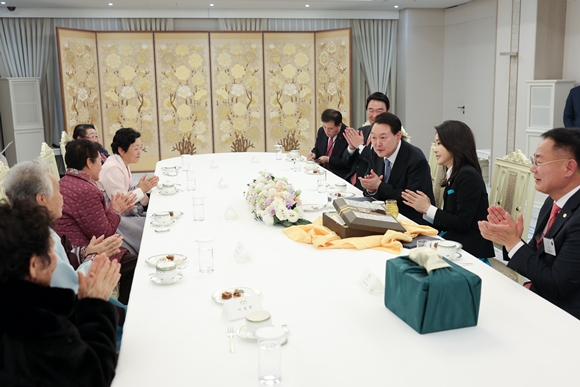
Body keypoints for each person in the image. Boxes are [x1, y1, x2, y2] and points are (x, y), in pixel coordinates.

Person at [0, 199, 120, 386]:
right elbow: (94, 375)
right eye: (51, 252)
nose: (56, 260)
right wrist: (96, 306)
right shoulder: (36, 328)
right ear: (34, 265)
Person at [479, 128, 580, 319]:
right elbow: (538, 262)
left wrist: (513, 243)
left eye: (539, 162)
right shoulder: (552, 202)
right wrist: (513, 240)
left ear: (569, 167)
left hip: (565, 317)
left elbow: (558, 285)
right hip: (540, 297)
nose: (533, 169)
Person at [3, 160, 123, 293]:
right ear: (42, 199)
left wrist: (86, 252)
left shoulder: (18, 227)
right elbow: (72, 288)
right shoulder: (37, 239)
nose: (62, 197)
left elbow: (63, 260)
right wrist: (94, 257)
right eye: (58, 191)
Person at [55, 139, 137, 304]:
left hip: (69, 249)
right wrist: (115, 210)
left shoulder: (64, 182)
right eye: (100, 161)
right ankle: (122, 315)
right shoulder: (86, 190)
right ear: (89, 162)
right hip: (84, 253)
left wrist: (114, 209)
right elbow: (103, 232)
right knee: (135, 266)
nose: (102, 165)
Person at [401, 121, 494, 259]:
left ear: (455, 144)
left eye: (439, 143)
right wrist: (426, 210)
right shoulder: (456, 173)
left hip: (469, 250)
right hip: (454, 240)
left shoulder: (468, 175)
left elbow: (462, 223)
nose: (435, 149)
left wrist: (428, 209)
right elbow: (451, 218)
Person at [358, 112, 434, 225]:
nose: (377, 143)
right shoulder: (375, 152)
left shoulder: (416, 160)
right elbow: (372, 185)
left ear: (398, 136)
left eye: (383, 138)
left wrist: (379, 186)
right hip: (383, 215)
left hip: (410, 220)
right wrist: (371, 189)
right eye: (374, 137)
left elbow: (410, 200)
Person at [98, 127, 158, 211]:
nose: (139, 152)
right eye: (136, 149)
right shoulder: (113, 168)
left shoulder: (121, 162)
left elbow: (127, 191)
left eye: (140, 148)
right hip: (115, 215)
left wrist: (140, 188)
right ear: (121, 150)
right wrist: (141, 189)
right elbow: (121, 203)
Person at [307, 109, 350, 179]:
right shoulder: (321, 131)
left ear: (339, 125)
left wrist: (328, 159)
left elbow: (346, 162)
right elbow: (317, 149)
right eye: (324, 127)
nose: (326, 131)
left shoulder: (348, 135)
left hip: (340, 176)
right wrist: (313, 154)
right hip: (321, 173)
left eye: (330, 128)